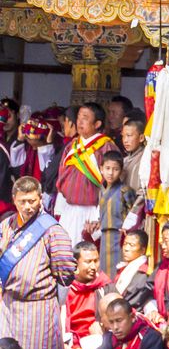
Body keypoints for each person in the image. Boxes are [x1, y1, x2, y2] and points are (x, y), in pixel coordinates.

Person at [55, 102, 121, 244]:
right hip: (69, 210)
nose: (79, 121)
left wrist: (99, 216)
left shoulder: (106, 146)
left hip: (93, 211)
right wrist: (58, 210)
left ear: (97, 124)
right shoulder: (71, 146)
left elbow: (113, 183)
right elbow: (62, 178)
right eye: (78, 117)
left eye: (85, 117)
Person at [94, 152, 137, 279]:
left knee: (117, 272)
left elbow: (134, 216)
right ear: (101, 169)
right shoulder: (101, 190)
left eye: (115, 169)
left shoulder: (125, 191)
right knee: (104, 273)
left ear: (121, 171)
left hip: (118, 238)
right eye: (107, 169)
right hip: (104, 237)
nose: (111, 173)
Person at [120, 116, 146, 192]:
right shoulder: (124, 160)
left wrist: (135, 204)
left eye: (129, 136)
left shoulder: (145, 159)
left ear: (141, 138)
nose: (125, 140)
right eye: (123, 136)